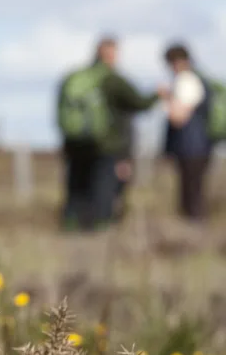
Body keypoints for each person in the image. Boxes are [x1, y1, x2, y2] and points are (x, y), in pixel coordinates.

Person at [57, 37, 162, 231]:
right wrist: (158, 95)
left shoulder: (73, 78)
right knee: (103, 189)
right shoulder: (113, 80)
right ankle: (100, 230)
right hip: (106, 145)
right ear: (112, 54)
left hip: (74, 143)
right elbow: (139, 103)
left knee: (76, 188)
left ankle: (71, 227)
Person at [162, 44, 212, 225]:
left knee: (192, 196)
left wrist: (167, 98)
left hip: (193, 147)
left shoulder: (188, 81)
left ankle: (193, 237)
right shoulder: (193, 80)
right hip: (196, 146)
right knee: (191, 193)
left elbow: (179, 117)